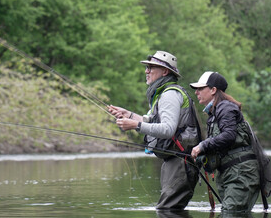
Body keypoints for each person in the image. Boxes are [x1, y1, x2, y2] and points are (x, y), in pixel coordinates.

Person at [108, 51, 201, 210]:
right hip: (176, 161)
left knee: (166, 211)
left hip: (180, 162)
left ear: (165, 71)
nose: (146, 71)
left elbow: (167, 129)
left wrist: (135, 125)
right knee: (169, 211)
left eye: (151, 67)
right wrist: (128, 115)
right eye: (147, 67)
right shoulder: (164, 93)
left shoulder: (170, 94)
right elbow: (151, 121)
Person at [190, 71, 260, 213]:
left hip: (240, 174)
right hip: (231, 173)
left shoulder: (225, 108)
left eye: (200, 88)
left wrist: (203, 145)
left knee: (231, 213)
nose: (196, 92)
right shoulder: (215, 112)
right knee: (230, 212)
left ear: (213, 90)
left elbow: (229, 135)